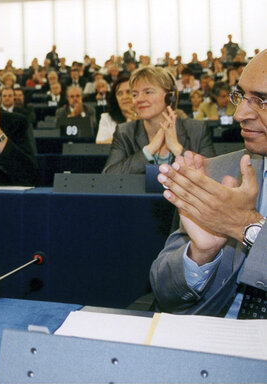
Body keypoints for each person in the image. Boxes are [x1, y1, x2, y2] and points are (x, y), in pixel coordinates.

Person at [151, 50, 267, 317]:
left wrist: (246, 227)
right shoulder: (219, 173)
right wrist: (200, 255)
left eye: (261, 100)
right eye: (241, 97)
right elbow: (164, 294)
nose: (239, 114)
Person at [103, 66, 215, 174]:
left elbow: (214, 174)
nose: (139, 99)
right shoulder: (124, 132)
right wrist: (149, 150)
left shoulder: (197, 129)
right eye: (135, 94)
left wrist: (177, 149)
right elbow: (109, 176)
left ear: (170, 96)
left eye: (148, 92)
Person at [96, 75, 137, 144]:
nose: (124, 97)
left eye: (129, 92)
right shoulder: (106, 118)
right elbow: (100, 144)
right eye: (120, 93)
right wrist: (127, 127)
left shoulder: (146, 116)